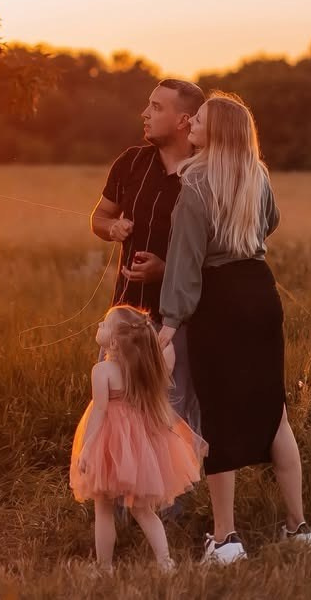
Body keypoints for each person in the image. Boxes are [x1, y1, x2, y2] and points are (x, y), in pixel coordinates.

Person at [158, 92, 311, 564]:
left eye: (200, 120)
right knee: (275, 412)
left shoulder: (195, 182)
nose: (192, 126)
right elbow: (270, 222)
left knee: (218, 416)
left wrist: (169, 324)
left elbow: (185, 262)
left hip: (219, 297)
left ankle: (225, 539)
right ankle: (299, 527)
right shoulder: (258, 175)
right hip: (260, 291)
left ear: (218, 130)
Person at [90, 78, 204, 427]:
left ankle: (178, 484)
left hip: (182, 320)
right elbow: (99, 217)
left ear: (184, 120)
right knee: (120, 419)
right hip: (125, 321)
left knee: (174, 418)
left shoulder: (205, 173)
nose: (145, 113)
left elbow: (218, 252)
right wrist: (113, 228)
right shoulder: (131, 162)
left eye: (156, 107)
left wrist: (166, 271)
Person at [70, 305, 206, 573]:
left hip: (108, 442)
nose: (98, 325)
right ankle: (166, 562)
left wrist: (87, 447)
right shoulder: (141, 369)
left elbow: (99, 411)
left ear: (112, 341)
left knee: (104, 509)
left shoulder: (102, 371)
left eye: (104, 324)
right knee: (144, 510)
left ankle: (105, 567)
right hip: (139, 444)